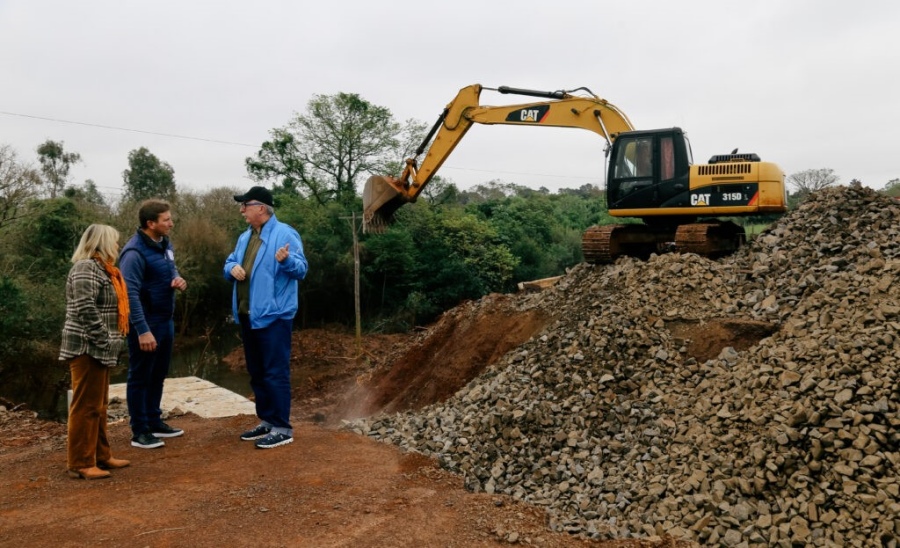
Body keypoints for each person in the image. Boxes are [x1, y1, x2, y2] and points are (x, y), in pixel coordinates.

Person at [224, 186, 308, 449]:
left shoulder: (285, 234)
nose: (241, 211)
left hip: (274, 315)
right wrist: (232, 268)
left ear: (260, 208)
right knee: (257, 371)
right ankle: (267, 421)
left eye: (245, 206)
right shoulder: (244, 237)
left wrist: (286, 261)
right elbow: (229, 261)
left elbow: (301, 269)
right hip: (248, 314)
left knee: (275, 372)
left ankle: (282, 427)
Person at [59, 224, 132, 479]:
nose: (117, 246)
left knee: (98, 405)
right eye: (114, 241)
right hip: (87, 346)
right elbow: (84, 306)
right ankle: (80, 462)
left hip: (100, 348)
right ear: (102, 243)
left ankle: (101, 455)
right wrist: (103, 338)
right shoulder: (85, 267)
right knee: (85, 405)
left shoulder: (106, 270)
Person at [119, 199, 188, 449]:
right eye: (166, 220)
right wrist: (143, 330)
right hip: (145, 325)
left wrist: (177, 279)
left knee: (158, 374)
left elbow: (171, 268)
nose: (171, 223)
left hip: (165, 320)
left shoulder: (164, 244)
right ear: (151, 224)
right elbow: (130, 294)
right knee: (140, 376)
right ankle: (140, 431)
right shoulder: (134, 253)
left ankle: (154, 420)